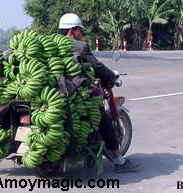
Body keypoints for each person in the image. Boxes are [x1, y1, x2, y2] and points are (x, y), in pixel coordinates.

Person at [58, 13, 140, 172]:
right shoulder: (79, 46)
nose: (81, 34)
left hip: (52, 90)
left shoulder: (50, 42)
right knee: (104, 120)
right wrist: (111, 76)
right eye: (80, 30)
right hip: (74, 92)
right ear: (72, 30)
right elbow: (97, 66)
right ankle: (119, 160)